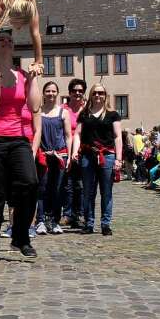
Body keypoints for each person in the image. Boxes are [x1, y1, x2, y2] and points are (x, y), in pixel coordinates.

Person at [0, 28, 43, 258]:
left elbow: (34, 106)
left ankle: (20, 238)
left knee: (30, 183)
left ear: (14, 47)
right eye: (0, 39)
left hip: (17, 139)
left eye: (9, 40)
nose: (5, 42)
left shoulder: (22, 75)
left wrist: (33, 80)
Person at [73, 82, 123, 235]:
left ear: (105, 95)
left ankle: (105, 224)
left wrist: (118, 159)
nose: (97, 95)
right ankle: (89, 223)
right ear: (91, 95)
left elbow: (117, 137)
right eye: (95, 93)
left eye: (100, 93)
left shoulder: (112, 114)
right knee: (88, 191)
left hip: (107, 156)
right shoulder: (85, 113)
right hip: (88, 156)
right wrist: (75, 151)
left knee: (106, 192)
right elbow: (78, 134)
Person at [33, 82, 71, 234]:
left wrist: (69, 156)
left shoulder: (63, 113)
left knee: (57, 189)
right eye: (48, 91)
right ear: (43, 93)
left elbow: (68, 136)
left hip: (60, 155)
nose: (50, 93)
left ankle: (54, 220)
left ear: (57, 93)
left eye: (53, 91)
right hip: (43, 155)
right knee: (42, 189)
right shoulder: (38, 112)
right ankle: (40, 220)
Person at [62, 78, 88, 228]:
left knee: (82, 185)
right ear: (69, 93)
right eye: (74, 91)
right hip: (66, 151)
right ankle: (67, 214)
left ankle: (79, 214)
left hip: (83, 151)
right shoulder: (63, 109)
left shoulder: (87, 110)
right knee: (68, 184)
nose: (77, 93)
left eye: (80, 91)